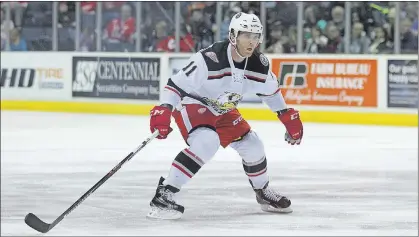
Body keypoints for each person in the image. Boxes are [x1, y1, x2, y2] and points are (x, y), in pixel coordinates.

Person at [148, 12, 304, 220]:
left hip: (223, 108)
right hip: (193, 103)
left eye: (256, 36)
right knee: (207, 141)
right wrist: (165, 109)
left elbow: (272, 93)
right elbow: (175, 85)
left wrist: (287, 117)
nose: (252, 41)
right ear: (233, 36)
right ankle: (165, 192)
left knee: (253, 144)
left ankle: (263, 191)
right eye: (246, 35)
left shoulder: (259, 64)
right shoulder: (209, 59)